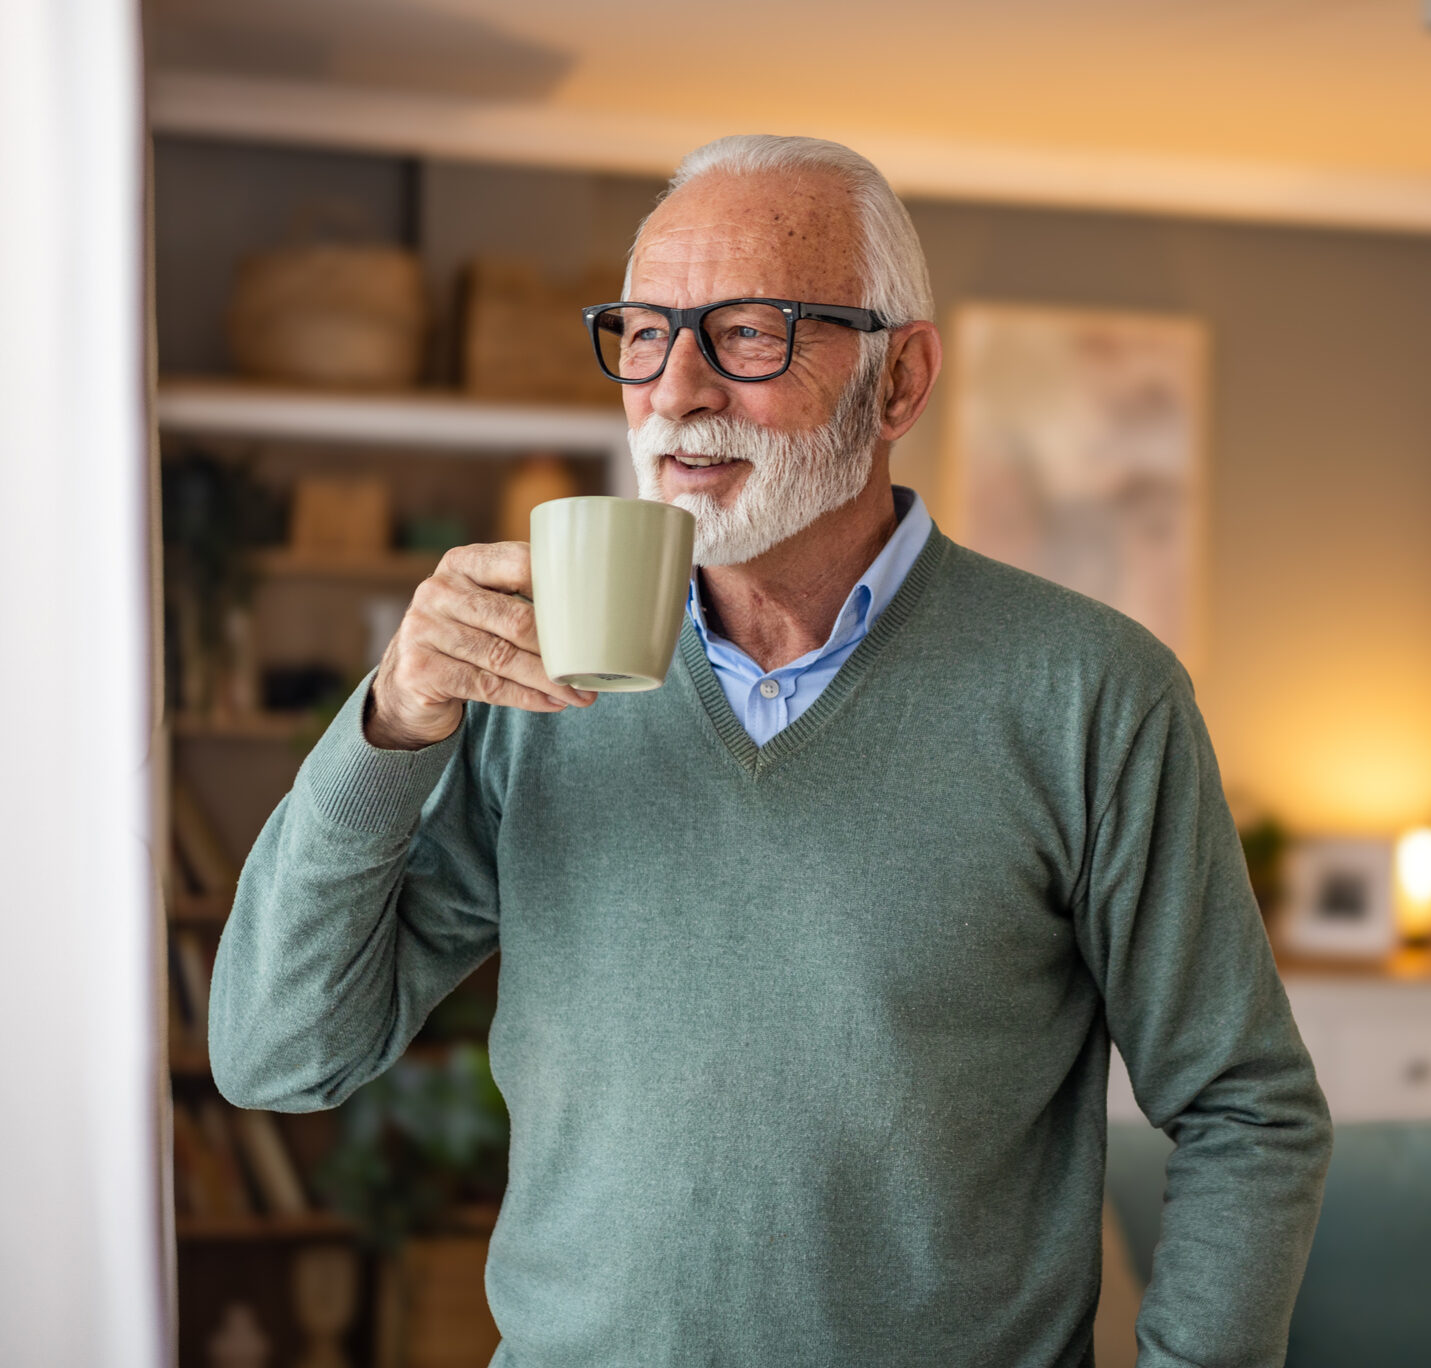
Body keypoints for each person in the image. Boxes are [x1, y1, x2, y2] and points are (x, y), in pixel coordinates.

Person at [210, 135, 1332, 1368]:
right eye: (644, 332)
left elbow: (1247, 1110)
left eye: (748, 332)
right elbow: (277, 1054)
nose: (675, 389)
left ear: (898, 382)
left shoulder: (1093, 693)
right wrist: (391, 720)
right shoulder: (522, 683)